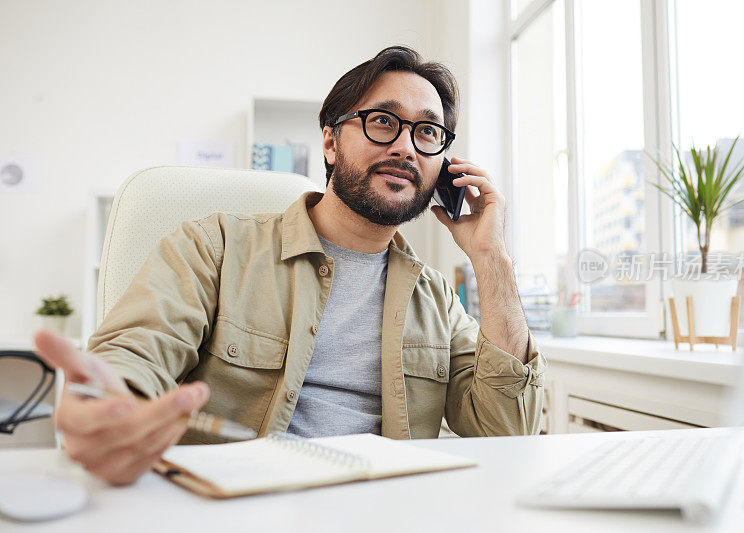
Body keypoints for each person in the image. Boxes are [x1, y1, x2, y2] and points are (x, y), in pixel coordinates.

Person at [34, 45, 546, 486]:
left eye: (428, 132)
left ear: (443, 167)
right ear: (329, 141)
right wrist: (112, 403)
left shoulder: (435, 300)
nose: (404, 147)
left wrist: (491, 258)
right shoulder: (213, 246)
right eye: (383, 121)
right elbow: (136, 353)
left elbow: (505, 436)